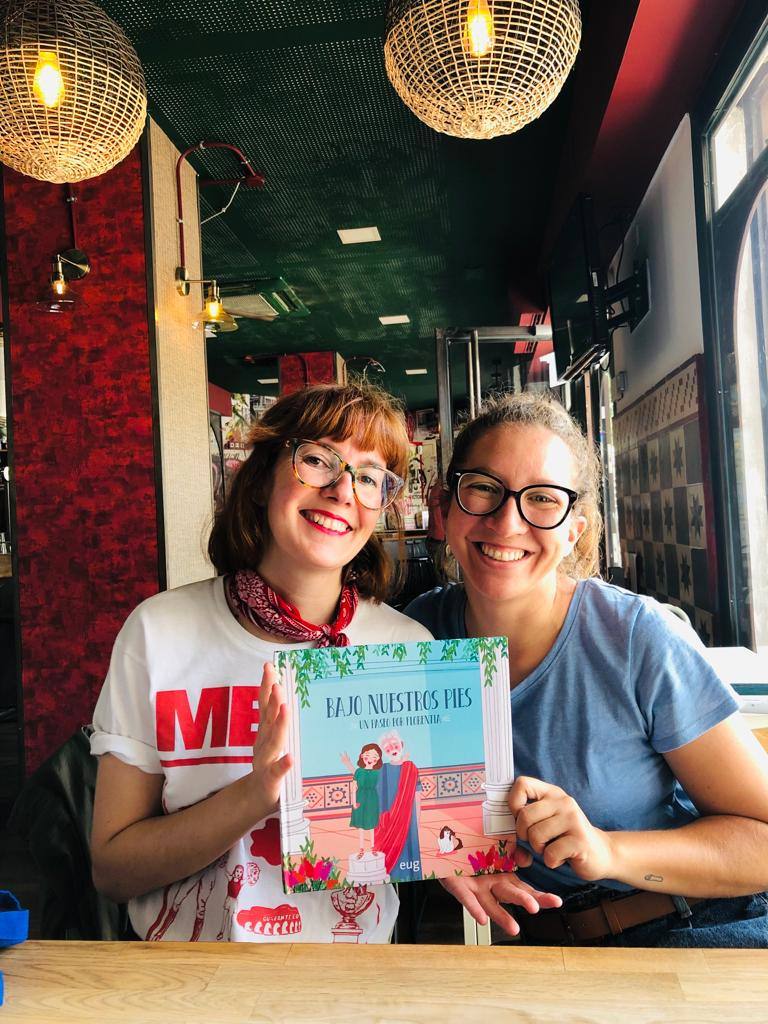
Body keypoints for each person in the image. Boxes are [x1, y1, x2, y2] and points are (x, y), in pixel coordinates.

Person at [405, 391, 768, 947]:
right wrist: (438, 847)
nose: (507, 521)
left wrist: (606, 848)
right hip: (540, 950)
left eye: (544, 500)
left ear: (574, 527)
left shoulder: (636, 637)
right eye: (483, 488)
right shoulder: (414, 637)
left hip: (692, 927)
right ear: (446, 505)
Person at [89, 382, 435, 944]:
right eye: (319, 460)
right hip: (184, 986)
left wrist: (472, 850)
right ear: (264, 476)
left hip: (348, 984)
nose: (343, 490)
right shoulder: (158, 632)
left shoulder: (405, 650)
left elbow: (409, 839)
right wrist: (256, 795)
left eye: (370, 477)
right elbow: (112, 870)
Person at [342, 742, 383, 857]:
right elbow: (354, 788)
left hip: (372, 799)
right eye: (367, 755)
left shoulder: (377, 772)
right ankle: (361, 849)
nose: (370, 758)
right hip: (360, 799)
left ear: (378, 759)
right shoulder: (359, 771)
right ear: (361, 756)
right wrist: (354, 803)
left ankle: (373, 847)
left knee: (371, 825)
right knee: (361, 826)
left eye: (374, 756)